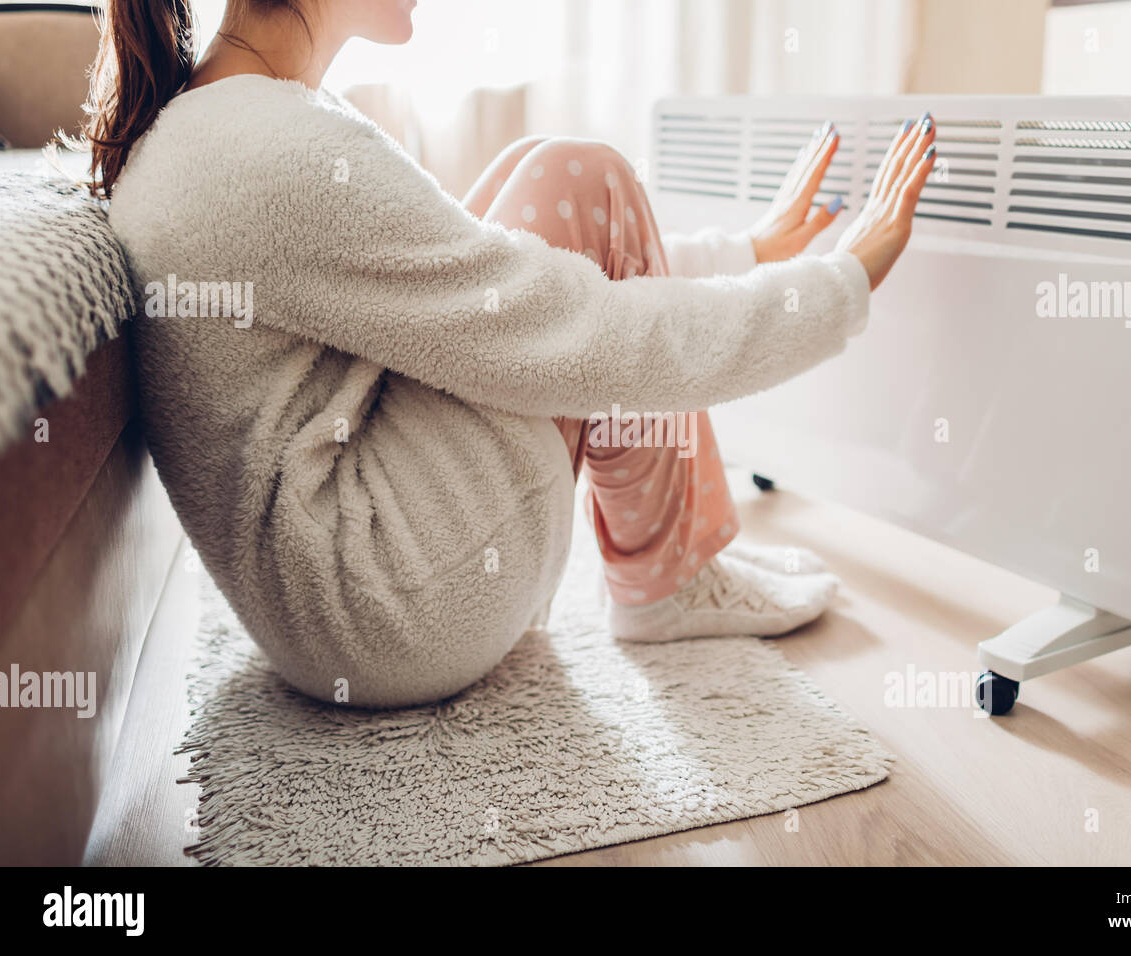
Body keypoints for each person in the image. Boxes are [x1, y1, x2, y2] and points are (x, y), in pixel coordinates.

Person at [90, 0, 937, 707]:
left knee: (543, 177)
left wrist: (746, 255)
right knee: (581, 176)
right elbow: (574, 334)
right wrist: (837, 286)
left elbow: (477, 284)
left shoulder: (221, 122)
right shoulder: (282, 151)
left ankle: (673, 558)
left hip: (328, 607)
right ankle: (668, 577)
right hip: (397, 611)